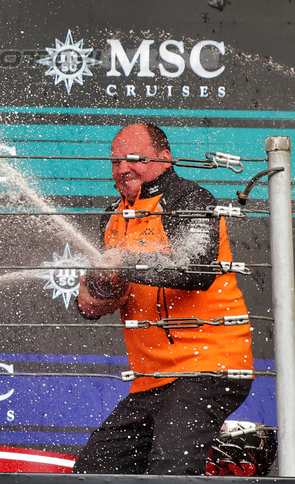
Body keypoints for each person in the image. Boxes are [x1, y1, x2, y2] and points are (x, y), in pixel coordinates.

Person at [74, 123, 253, 475]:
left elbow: (195, 269)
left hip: (208, 369)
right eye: (115, 162)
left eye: (135, 158)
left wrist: (123, 264)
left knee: (170, 471)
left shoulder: (192, 199)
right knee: (93, 471)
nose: (123, 168)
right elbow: (92, 305)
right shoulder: (112, 217)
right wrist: (100, 285)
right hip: (150, 381)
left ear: (165, 159)